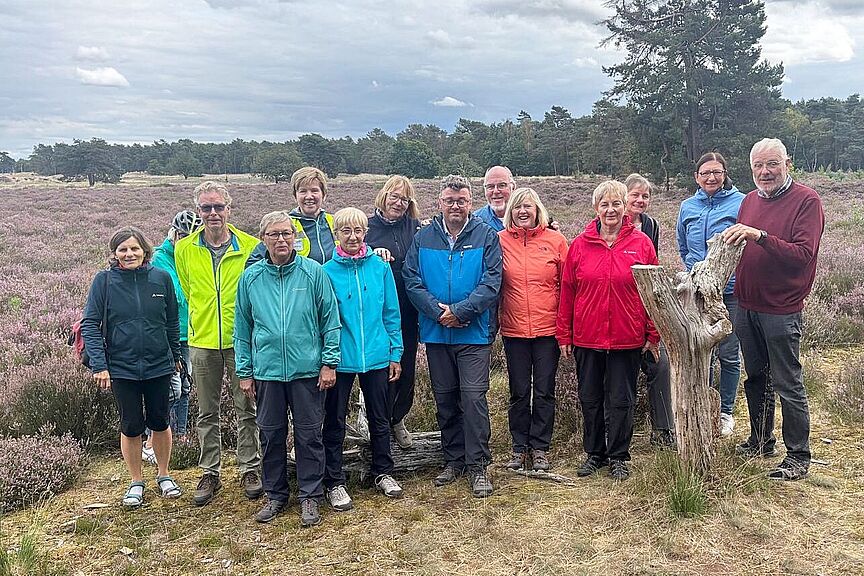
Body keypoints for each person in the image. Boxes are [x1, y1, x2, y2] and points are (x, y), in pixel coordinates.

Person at [722, 138, 824, 481]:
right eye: (758, 166)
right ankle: (761, 440)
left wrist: (760, 236)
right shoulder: (750, 200)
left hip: (781, 308)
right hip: (746, 305)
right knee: (756, 378)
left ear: (787, 164)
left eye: (772, 164)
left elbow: (803, 255)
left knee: (787, 382)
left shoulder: (807, 201)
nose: (765, 172)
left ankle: (798, 456)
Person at [234, 211, 341, 526]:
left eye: (286, 233)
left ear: (294, 237)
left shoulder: (313, 272)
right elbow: (242, 328)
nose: (281, 240)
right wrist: (244, 372)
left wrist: (329, 363)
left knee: (309, 436)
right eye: (274, 234)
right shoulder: (250, 278)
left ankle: (310, 496)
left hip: (307, 371)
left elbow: (330, 321)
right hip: (267, 372)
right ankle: (276, 495)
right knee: (270, 435)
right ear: (263, 239)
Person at [403, 174, 502, 498]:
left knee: (473, 399)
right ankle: (454, 460)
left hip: (474, 334)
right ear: (440, 202)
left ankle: (478, 466)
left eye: (461, 200)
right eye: (449, 200)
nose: (455, 206)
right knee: (445, 399)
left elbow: (491, 282)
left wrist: (460, 311)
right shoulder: (423, 237)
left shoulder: (486, 236)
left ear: (470, 202)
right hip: (436, 334)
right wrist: (438, 312)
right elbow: (411, 279)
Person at [556, 180, 660, 481]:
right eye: (605, 204)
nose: (611, 210)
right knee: (590, 397)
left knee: (621, 399)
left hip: (627, 337)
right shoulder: (580, 245)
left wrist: (653, 333)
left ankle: (618, 456)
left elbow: (654, 292)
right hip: (587, 336)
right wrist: (564, 334)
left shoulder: (641, 243)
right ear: (596, 208)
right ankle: (595, 453)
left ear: (625, 207)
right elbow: (567, 291)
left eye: (617, 203)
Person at [175, 181, 263, 506]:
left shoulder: (251, 246)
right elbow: (188, 290)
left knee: (247, 407)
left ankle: (249, 468)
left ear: (229, 208)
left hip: (242, 340)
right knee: (206, 411)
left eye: (218, 207)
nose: (213, 213)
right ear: (198, 211)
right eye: (206, 207)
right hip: (202, 341)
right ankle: (209, 471)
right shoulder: (184, 249)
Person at [80, 227, 182, 507]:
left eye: (134, 248)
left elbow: (172, 321)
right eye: (123, 249)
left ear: (145, 250)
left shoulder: (161, 278)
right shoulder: (103, 281)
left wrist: (175, 355)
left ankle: (164, 475)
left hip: (159, 364)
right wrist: (100, 365)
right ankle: (136, 481)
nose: (129, 254)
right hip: (121, 366)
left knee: (160, 421)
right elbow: (90, 324)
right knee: (131, 425)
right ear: (115, 253)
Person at [322, 208, 405, 511]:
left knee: (380, 418)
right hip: (341, 358)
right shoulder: (326, 271)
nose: (353, 236)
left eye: (358, 230)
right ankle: (334, 481)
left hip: (377, 355)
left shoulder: (380, 268)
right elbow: (325, 319)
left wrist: (395, 353)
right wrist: (327, 360)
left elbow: (391, 313)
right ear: (337, 234)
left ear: (365, 233)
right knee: (334, 421)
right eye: (346, 230)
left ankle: (383, 472)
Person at [497, 188, 568, 471]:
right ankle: (519, 447)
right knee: (518, 391)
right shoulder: (499, 240)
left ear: (538, 210)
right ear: (510, 212)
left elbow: (568, 287)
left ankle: (539, 447)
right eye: (517, 207)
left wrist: (566, 328)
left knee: (544, 390)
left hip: (547, 330)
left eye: (528, 206)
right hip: (513, 330)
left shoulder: (556, 240)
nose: (522, 211)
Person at [677, 154, 745, 437]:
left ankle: (725, 412)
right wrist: (695, 273)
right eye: (705, 173)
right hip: (698, 293)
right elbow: (683, 246)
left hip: (730, 292)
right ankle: (701, 406)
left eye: (716, 172)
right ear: (697, 177)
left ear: (725, 174)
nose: (711, 178)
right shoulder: (687, 207)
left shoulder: (740, 203)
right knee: (700, 351)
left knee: (728, 354)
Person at [365, 176, 422, 449]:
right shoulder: (367, 228)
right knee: (380, 371)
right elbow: (352, 252)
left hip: (410, 311)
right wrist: (370, 252)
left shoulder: (416, 227)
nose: (399, 203)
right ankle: (379, 424)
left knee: (406, 369)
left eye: (405, 200)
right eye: (394, 197)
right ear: (384, 196)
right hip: (377, 312)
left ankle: (397, 419)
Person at [624, 173, 675, 448]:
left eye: (645, 196)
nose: (640, 200)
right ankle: (620, 431)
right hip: (621, 306)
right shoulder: (611, 222)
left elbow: (652, 268)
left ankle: (663, 430)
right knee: (622, 371)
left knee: (660, 364)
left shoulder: (651, 225)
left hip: (647, 305)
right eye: (635, 195)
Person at [152, 209, 202, 441]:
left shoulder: (198, 254)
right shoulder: (160, 258)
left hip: (191, 332)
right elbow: (174, 293)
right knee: (172, 388)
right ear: (173, 233)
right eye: (182, 235)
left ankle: (180, 436)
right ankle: (158, 436)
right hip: (167, 334)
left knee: (186, 386)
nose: (186, 240)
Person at [248, 166, 337, 267]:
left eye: (314, 190)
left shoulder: (335, 223)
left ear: (323, 194)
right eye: (303, 191)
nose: (309, 196)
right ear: (295, 196)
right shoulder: (283, 225)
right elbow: (253, 263)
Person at [474, 165, 514, 232]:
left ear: (513, 188)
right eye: (490, 187)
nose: (496, 191)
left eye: (502, 185)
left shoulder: (524, 218)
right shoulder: (476, 221)